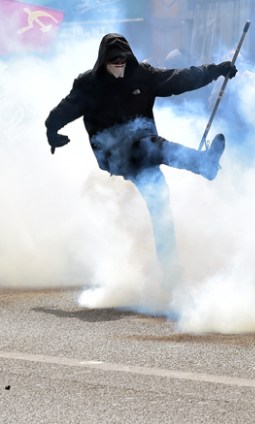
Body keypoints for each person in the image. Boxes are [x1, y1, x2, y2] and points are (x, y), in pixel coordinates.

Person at [45, 33, 237, 289]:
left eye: (123, 58)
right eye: (113, 59)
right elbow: (65, 109)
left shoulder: (142, 75)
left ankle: (170, 273)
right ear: (103, 60)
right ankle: (203, 164)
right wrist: (52, 131)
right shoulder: (88, 84)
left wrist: (216, 70)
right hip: (114, 154)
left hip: (144, 151)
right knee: (152, 145)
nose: (119, 63)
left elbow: (179, 79)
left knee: (161, 208)